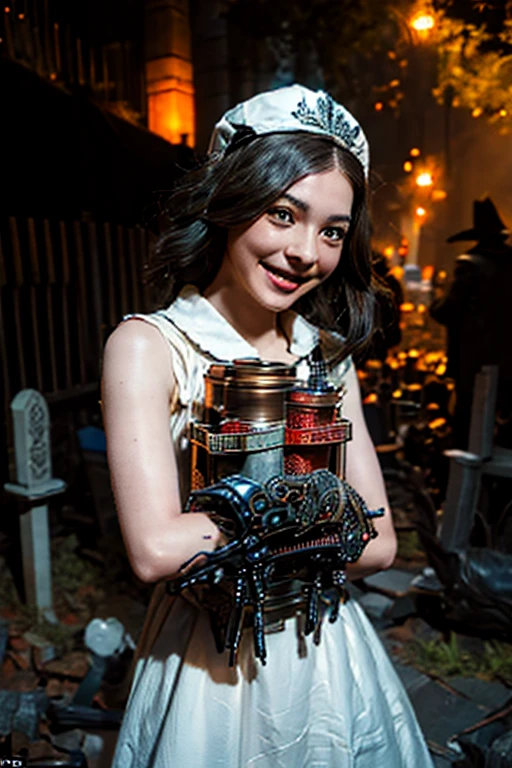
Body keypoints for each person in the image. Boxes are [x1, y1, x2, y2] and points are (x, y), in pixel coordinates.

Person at [102, 85, 434, 767]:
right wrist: (322, 511)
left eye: (333, 231)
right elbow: (156, 551)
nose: (305, 252)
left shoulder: (327, 358)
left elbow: (378, 544)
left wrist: (237, 524)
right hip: (206, 664)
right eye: (283, 214)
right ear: (231, 201)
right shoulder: (151, 347)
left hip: (323, 652)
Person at [430, 197, 512, 448]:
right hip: (509, 365)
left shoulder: (470, 268)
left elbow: (447, 312)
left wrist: (435, 301)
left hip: (474, 366)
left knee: (467, 433)